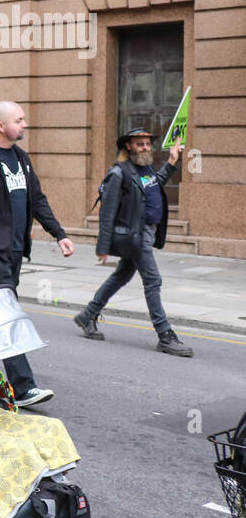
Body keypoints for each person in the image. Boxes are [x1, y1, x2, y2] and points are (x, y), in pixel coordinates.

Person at [0, 101, 74, 408]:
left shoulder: (21, 158)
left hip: (16, 250)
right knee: (7, 315)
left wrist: (59, 234)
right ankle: (23, 387)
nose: (25, 124)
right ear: (0, 125)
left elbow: (38, 199)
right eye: (19, 120)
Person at [73, 128, 192, 357]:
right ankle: (165, 335)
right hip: (134, 234)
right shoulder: (118, 173)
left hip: (147, 231)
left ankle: (88, 315)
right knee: (153, 280)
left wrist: (172, 161)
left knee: (122, 275)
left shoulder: (145, 169)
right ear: (129, 146)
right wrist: (103, 247)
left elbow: (154, 185)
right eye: (140, 144)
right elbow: (107, 212)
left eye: (147, 144)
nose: (145, 148)